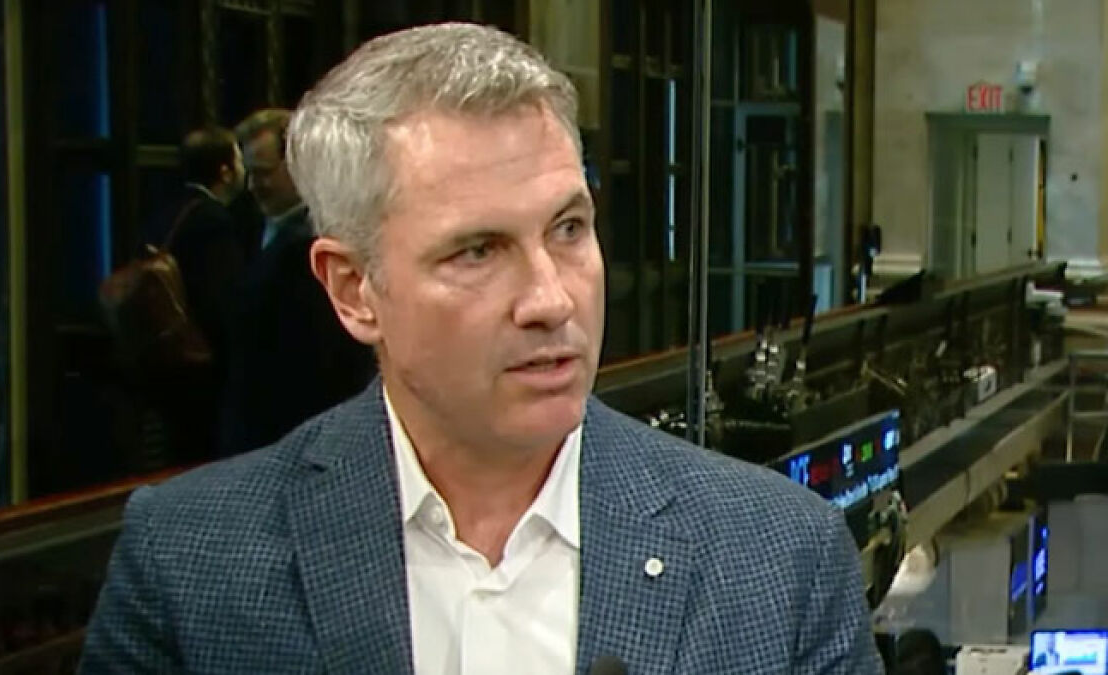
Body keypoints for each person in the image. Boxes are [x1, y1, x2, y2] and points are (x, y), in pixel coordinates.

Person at [79, 23, 881, 674]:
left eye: (568, 229)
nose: (550, 298)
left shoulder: (779, 559)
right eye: (477, 251)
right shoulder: (190, 562)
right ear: (354, 289)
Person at [215, 108, 377, 456]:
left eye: (264, 173)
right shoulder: (239, 225)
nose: (255, 186)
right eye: (250, 175)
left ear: (299, 168)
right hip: (244, 428)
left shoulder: (326, 241)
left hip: (298, 432)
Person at [142, 127, 246, 462]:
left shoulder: (166, 211)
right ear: (225, 171)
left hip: (163, 359)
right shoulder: (212, 221)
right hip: (200, 368)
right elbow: (222, 303)